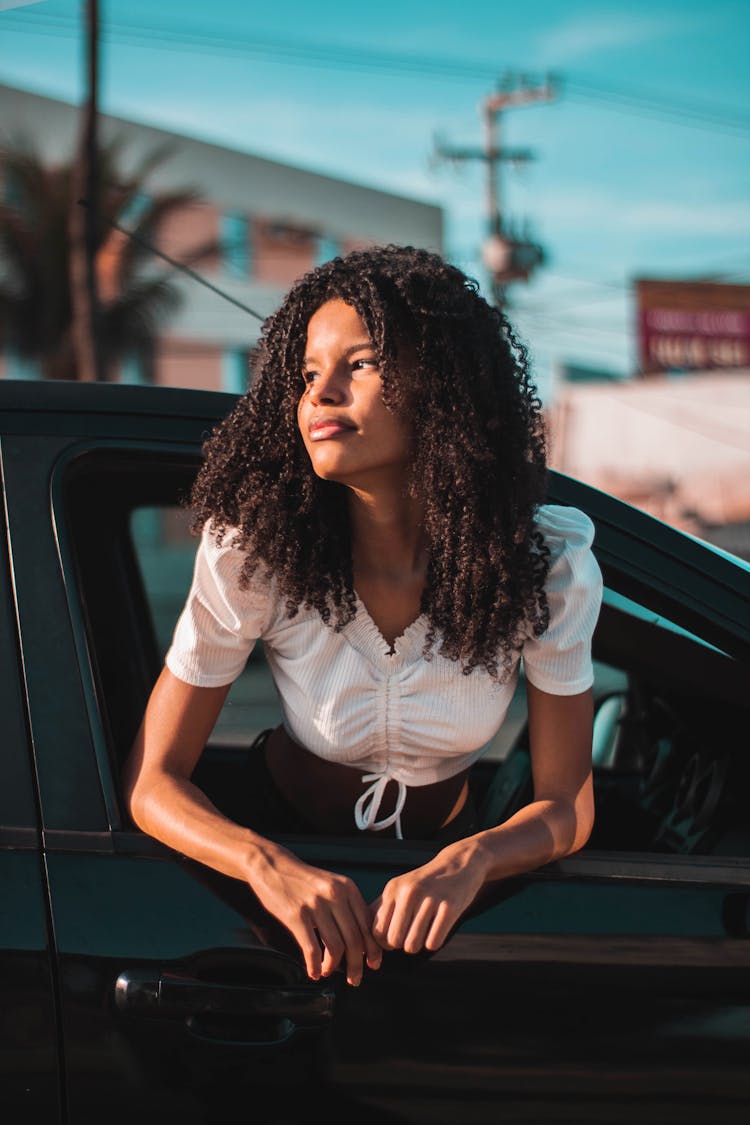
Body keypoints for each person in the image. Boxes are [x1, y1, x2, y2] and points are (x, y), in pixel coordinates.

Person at [123, 244, 602, 990]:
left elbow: (566, 803)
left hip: (442, 889)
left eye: (362, 363)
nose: (321, 394)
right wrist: (266, 864)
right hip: (269, 872)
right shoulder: (257, 553)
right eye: (309, 373)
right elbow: (153, 781)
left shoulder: (543, 564)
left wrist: (473, 858)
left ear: (443, 385)